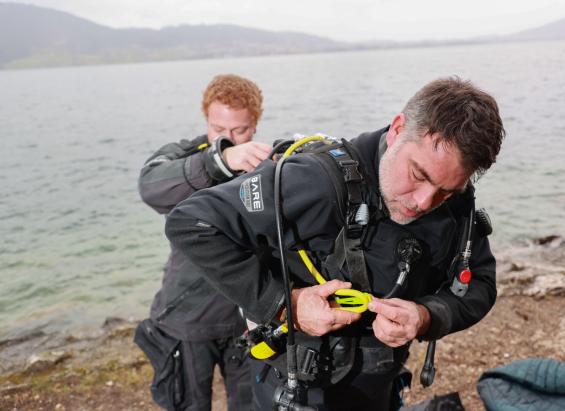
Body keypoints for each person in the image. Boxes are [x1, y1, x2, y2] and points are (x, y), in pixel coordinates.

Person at [165, 77, 505, 410]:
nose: (423, 201)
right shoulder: (316, 180)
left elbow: (480, 283)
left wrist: (427, 316)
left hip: (378, 386)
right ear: (398, 129)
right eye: (418, 175)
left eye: (446, 191)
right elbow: (193, 222)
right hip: (296, 389)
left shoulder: (458, 204)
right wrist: (286, 305)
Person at [135, 74, 271, 411]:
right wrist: (220, 161)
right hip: (186, 316)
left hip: (247, 320)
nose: (229, 138)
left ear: (254, 124)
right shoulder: (182, 157)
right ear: (206, 119)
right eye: (218, 129)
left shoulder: (268, 165)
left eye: (239, 130)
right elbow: (150, 188)